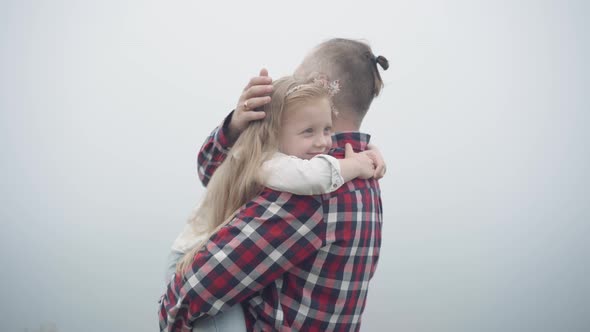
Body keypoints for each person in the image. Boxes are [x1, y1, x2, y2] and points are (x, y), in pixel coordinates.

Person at [159, 38, 388, 331]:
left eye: (297, 79)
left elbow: (198, 286)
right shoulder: (362, 174)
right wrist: (236, 127)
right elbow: (216, 179)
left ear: (319, 87)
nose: (289, 87)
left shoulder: (314, 187)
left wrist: (169, 313)